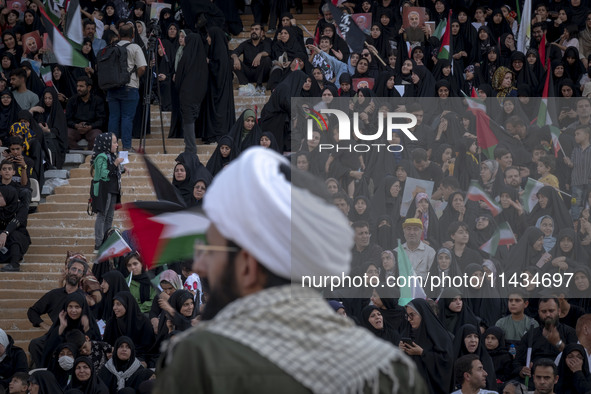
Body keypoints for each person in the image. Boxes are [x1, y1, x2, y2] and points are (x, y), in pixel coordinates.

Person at [154, 147, 427, 393]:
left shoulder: (197, 362)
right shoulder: (390, 371)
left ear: (249, 265)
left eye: (212, 251)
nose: (200, 266)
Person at [105, 22, 146, 151]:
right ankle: (127, 146)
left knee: (113, 117)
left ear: (119, 34)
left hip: (112, 87)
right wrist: (135, 77)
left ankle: (111, 147)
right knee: (127, 117)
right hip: (130, 87)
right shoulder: (135, 47)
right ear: (132, 35)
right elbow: (142, 68)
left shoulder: (111, 47)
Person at [175, 33, 208, 154]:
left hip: (186, 94)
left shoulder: (186, 56)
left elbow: (178, 77)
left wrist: (178, 88)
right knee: (191, 119)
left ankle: (190, 147)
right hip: (198, 95)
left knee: (188, 120)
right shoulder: (202, 60)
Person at [90, 133, 124, 251]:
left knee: (110, 216)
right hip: (104, 189)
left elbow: (114, 171)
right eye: (114, 142)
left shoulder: (112, 156)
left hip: (113, 189)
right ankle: (98, 243)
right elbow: (104, 173)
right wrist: (115, 164)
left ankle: (106, 241)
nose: (116, 145)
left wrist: (122, 167)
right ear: (106, 144)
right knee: (102, 215)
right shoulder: (101, 157)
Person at [66, 77, 105, 151]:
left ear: (89, 88)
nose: (78, 89)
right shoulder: (72, 100)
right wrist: (76, 125)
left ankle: (90, 157)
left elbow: (101, 120)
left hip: (92, 128)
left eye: (81, 86)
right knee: (66, 135)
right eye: (77, 86)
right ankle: (78, 151)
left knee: (97, 136)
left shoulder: (97, 100)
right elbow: (67, 119)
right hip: (76, 128)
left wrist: (90, 127)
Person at [231, 23, 272, 92]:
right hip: (247, 73)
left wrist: (260, 54)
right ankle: (244, 84)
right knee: (231, 60)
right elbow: (234, 52)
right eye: (252, 29)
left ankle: (259, 85)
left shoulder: (265, 43)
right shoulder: (245, 43)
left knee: (267, 59)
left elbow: (267, 52)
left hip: (260, 74)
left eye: (256, 29)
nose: (254, 31)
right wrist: (235, 58)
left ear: (261, 32)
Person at [0, 184, 30, 272]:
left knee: (14, 235)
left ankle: (14, 264)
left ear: (8, 196)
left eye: (1, 196)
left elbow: (15, 222)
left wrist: (5, 233)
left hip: (19, 239)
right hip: (2, 241)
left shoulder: (21, 208)